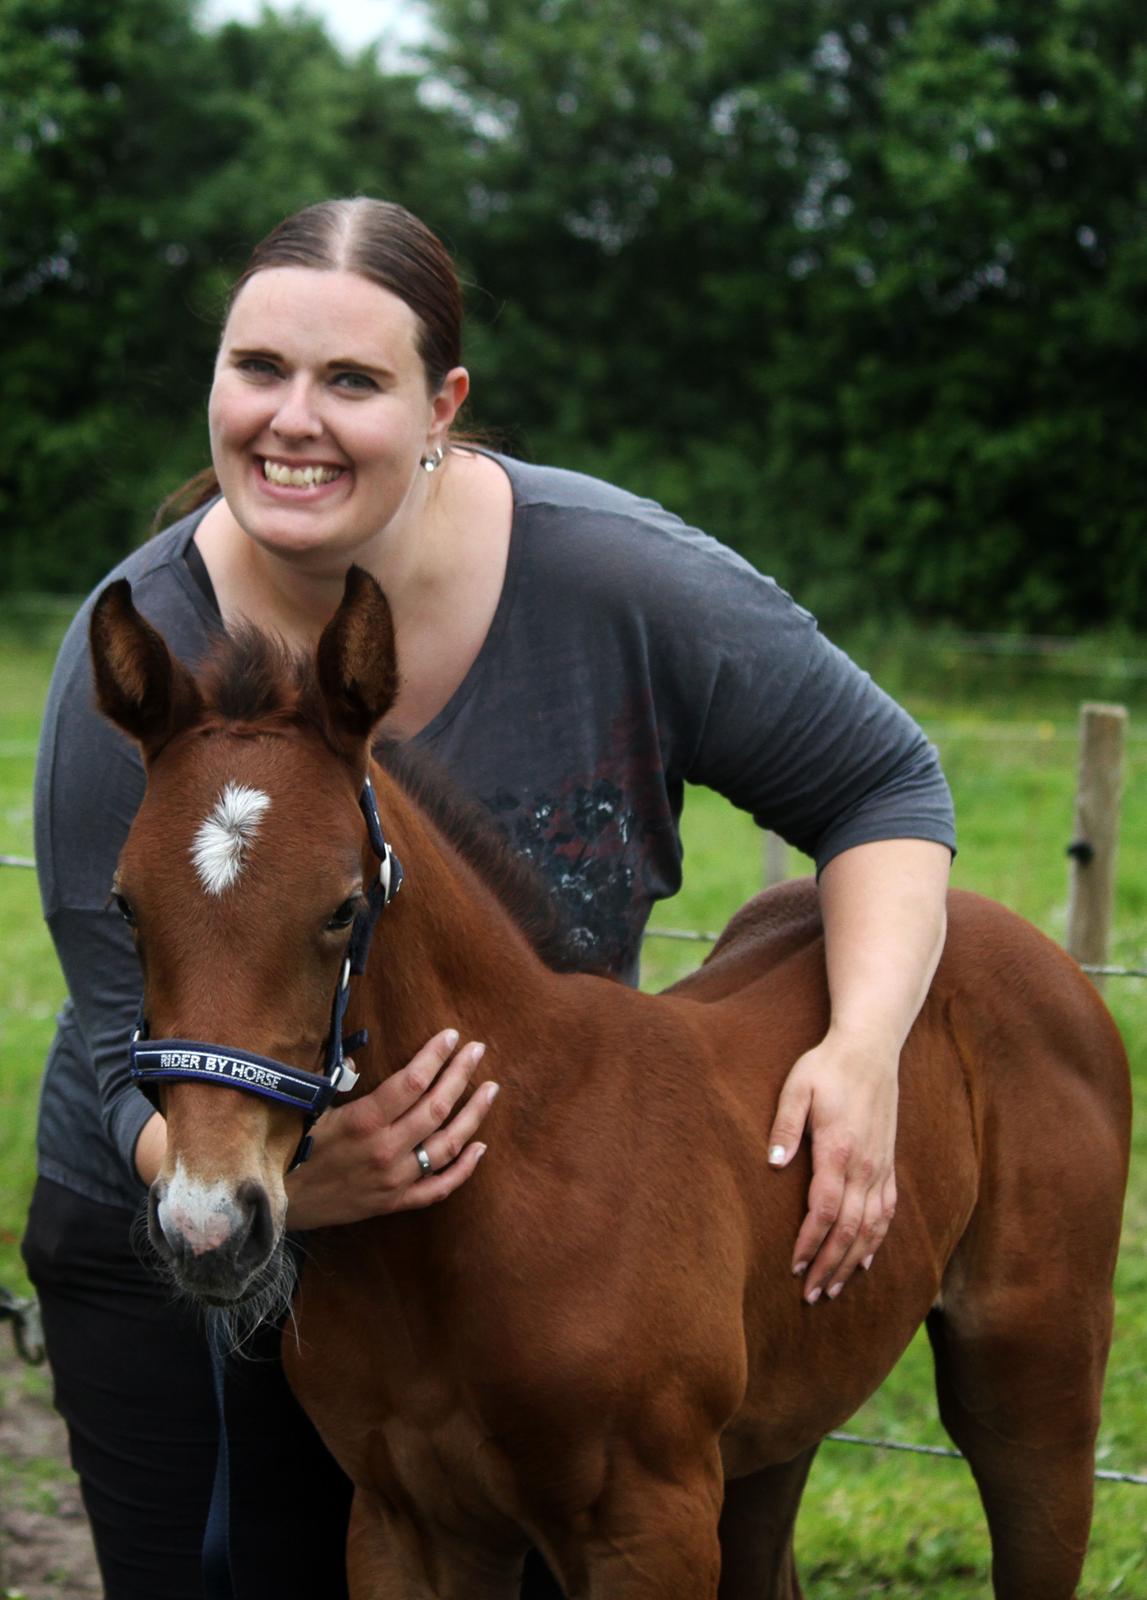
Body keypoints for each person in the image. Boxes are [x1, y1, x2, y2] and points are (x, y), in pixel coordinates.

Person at [24, 197, 955, 1600]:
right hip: (178, 1212)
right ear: (210, 381)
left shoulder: (619, 584)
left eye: (353, 381)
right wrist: (266, 1178)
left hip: (525, 1237)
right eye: (258, 369)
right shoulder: (138, 651)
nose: (294, 419)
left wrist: (865, 1047)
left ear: (442, 403)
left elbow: (884, 781)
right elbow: (117, 1036)